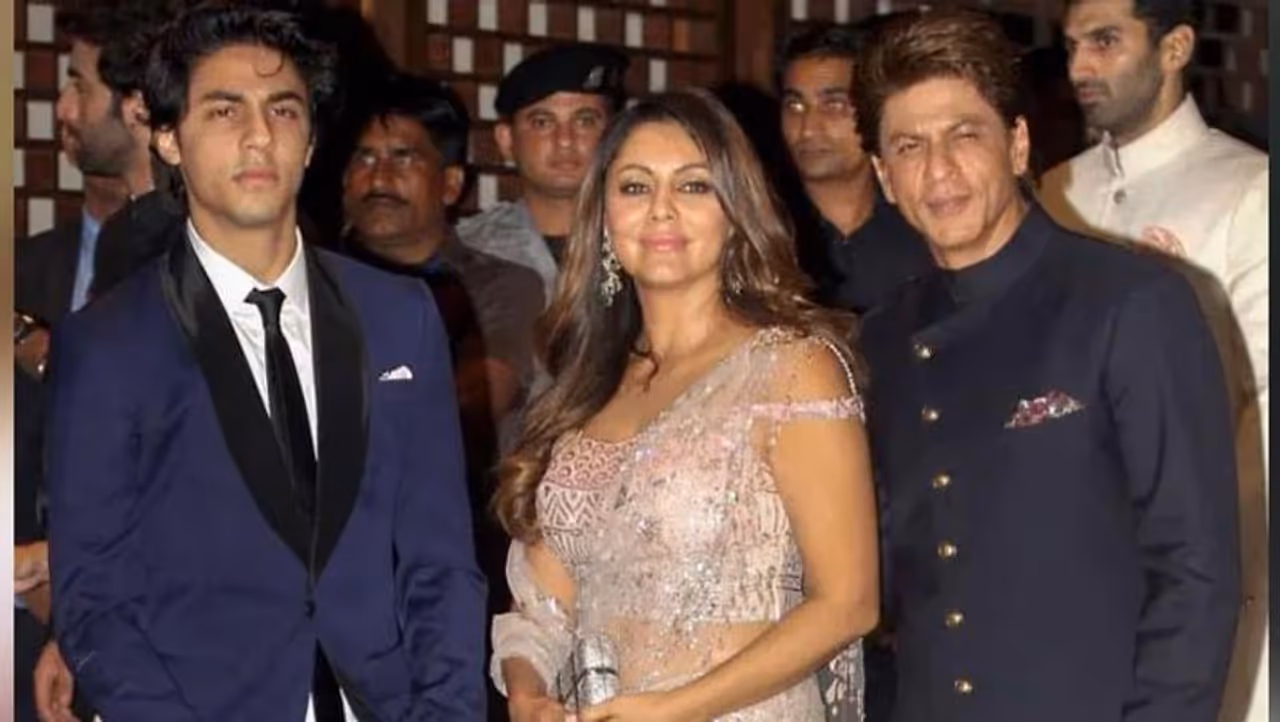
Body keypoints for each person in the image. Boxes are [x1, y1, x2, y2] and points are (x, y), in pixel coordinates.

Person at [46, 7, 485, 721]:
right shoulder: (108, 344)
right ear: (168, 137)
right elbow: (95, 600)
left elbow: (440, 560)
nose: (259, 136)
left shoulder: (400, 316)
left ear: (310, 140)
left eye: (283, 110)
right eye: (224, 111)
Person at [853, 9, 1240, 722]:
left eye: (965, 135)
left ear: (1018, 144)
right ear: (883, 175)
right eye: (909, 146)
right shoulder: (881, 340)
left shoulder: (1131, 303)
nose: (939, 170)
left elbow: (1195, 573)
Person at [488, 89, 879, 722]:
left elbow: (848, 604)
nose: (662, 209)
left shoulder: (793, 369)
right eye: (635, 187)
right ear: (604, 217)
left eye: (694, 186)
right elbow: (541, 604)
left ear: (736, 212)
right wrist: (528, 693)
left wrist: (674, 709)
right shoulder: (587, 383)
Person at [1039, 4, 1268, 717]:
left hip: (1211, 546)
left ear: (1175, 48)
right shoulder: (1056, 191)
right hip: (1071, 558)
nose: (1080, 67)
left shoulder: (1249, 188)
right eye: (1072, 46)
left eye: (1105, 42)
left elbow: (1259, 394)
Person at [341, 71, 545, 722]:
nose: (379, 176)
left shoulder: (501, 287)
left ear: (452, 183)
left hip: (458, 557)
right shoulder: (301, 283)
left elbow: (470, 401)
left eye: (403, 157)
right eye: (363, 157)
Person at [775, 20, 932, 313]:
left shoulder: (922, 223)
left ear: (874, 113)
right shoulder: (761, 231)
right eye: (795, 107)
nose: (808, 129)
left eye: (833, 106)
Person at [456, 43, 629, 298]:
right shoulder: (466, 254)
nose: (565, 140)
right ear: (506, 140)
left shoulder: (648, 243)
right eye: (542, 122)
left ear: (615, 135)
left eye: (585, 121)